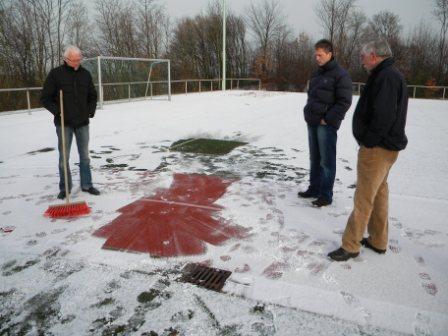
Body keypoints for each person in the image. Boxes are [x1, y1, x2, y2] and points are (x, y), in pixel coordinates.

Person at [328, 40, 408, 261]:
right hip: (385, 148)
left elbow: (383, 117)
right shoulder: (387, 74)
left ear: (373, 55)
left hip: (378, 150)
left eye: (363, 56)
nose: (361, 61)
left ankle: (350, 245)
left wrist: (368, 141)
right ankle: (378, 240)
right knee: (379, 194)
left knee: (363, 198)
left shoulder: (386, 77)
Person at [41, 45, 100, 199]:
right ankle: (65, 187)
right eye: (73, 60)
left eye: (79, 60)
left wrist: (90, 110)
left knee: (85, 156)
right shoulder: (56, 74)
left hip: (82, 122)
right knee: (64, 157)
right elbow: (45, 98)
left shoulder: (85, 74)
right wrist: (57, 111)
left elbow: (93, 95)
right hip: (64, 123)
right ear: (66, 59)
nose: (76, 63)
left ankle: (87, 184)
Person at [299, 39, 352, 207]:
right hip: (312, 122)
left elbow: (344, 102)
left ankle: (326, 195)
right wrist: (308, 112)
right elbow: (312, 96)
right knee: (314, 158)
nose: (317, 58)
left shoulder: (340, 75)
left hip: (326, 125)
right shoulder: (317, 74)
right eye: (315, 55)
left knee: (326, 161)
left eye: (320, 55)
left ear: (330, 54)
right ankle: (314, 188)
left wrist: (327, 119)